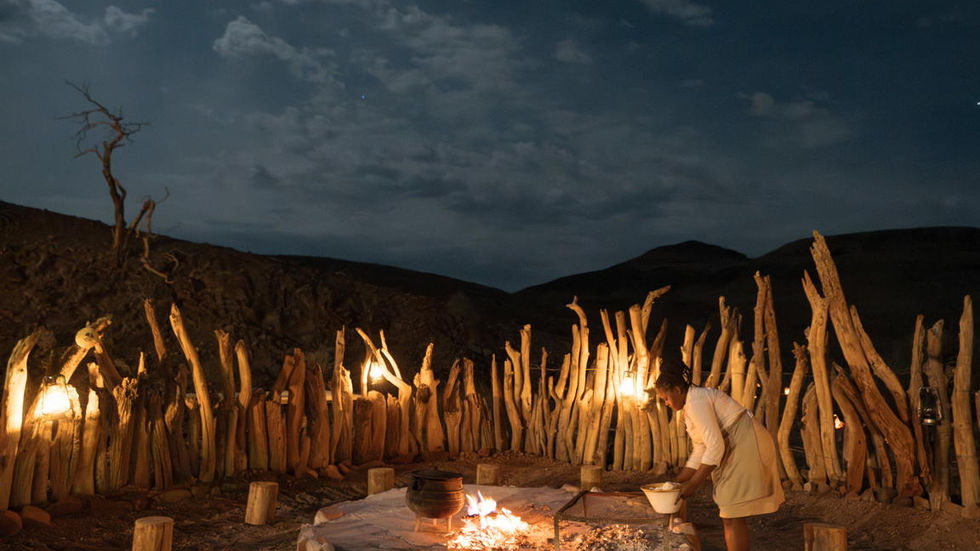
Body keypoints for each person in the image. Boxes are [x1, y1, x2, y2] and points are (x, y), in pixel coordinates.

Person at [654, 357, 784, 551]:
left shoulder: (697, 400)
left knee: (731, 512)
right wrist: (678, 481)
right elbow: (701, 448)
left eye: (666, 398)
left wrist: (693, 484)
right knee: (729, 512)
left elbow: (715, 446)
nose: (666, 403)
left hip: (745, 441)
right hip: (737, 443)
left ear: (677, 390)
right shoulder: (690, 408)